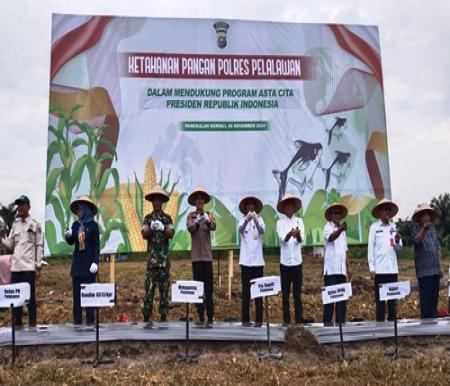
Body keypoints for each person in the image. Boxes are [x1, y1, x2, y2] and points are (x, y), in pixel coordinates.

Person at [1, 195, 44, 328]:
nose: (19, 208)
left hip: (28, 268)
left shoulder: (35, 224)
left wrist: (38, 266)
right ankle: (17, 326)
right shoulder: (15, 225)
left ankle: (32, 326)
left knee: (30, 299)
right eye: (18, 205)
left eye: (22, 205)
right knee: (16, 300)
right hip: (16, 268)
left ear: (28, 207)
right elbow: (11, 245)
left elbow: (39, 246)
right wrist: (1, 240)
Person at [276, 194, 312, 325]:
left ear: (294, 208)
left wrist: (297, 235)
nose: (289, 207)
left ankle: (298, 321)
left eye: (291, 205)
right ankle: (286, 321)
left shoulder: (299, 221)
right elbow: (283, 240)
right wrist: (290, 234)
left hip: (297, 262)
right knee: (285, 294)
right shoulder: (280, 222)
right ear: (284, 208)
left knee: (297, 294)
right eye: (287, 205)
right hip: (285, 263)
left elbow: (301, 241)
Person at [141, 185, 174, 326]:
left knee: (164, 293)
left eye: (159, 200)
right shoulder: (148, 218)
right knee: (148, 292)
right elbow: (144, 233)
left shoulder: (167, 218)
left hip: (164, 262)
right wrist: (150, 227)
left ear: (162, 202)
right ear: (152, 202)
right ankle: (146, 318)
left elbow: (171, 233)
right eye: (154, 200)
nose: (157, 202)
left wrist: (163, 227)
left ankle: (163, 318)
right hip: (152, 262)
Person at [65, 196, 99, 326]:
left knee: (89, 297)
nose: (78, 212)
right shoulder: (75, 225)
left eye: (80, 209)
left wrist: (95, 262)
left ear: (86, 209)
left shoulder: (93, 226)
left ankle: (90, 324)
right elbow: (71, 240)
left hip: (89, 266)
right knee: (77, 299)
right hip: (77, 267)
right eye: (77, 209)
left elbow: (96, 245)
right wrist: (68, 235)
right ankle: (77, 325)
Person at [367, 198, 402, 322]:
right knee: (380, 300)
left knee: (392, 299)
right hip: (380, 269)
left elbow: (398, 248)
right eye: (384, 209)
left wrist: (397, 241)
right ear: (379, 212)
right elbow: (370, 248)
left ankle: (393, 324)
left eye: (388, 209)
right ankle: (380, 326)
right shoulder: (374, 227)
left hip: (392, 268)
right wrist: (372, 267)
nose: (386, 211)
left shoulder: (394, 226)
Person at [186, 187, 216, 327]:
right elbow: (190, 228)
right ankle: (201, 316)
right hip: (196, 259)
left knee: (209, 288)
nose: (199, 201)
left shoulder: (209, 214)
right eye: (197, 199)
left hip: (207, 258)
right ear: (194, 202)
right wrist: (198, 221)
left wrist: (208, 221)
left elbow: (214, 227)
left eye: (201, 199)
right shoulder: (190, 216)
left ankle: (210, 316)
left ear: (204, 202)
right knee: (198, 289)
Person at [238, 195, 265, 327]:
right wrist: (246, 220)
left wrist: (255, 220)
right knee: (246, 293)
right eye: (248, 204)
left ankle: (259, 320)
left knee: (259, 291)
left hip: (258, 262)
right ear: (245, 207)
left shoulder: (260, 219)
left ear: (255, 207)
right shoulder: (242, 220)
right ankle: (245, 320)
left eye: (252, 204)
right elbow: (239, 230)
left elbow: (262, 230)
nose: (250, 206)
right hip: (246, 262)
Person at [411, 203, 442, 319]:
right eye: (424, 216)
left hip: (435, 270)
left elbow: (437, 248)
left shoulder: (433, 229)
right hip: (424, 271)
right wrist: (424, 230)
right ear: (419, 218)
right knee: (426, 298)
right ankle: (426, 322)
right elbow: (417, 241)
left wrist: (440, 267)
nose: (426, 217)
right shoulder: (415, 229)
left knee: (434, 297)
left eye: (428, 215)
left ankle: (434, 321)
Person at [322, 203, 352, 325]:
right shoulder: (327, 227)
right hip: (331, 270)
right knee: (330, 300)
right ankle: (327, 326)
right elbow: (331, 238)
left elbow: (345, 250)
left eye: (339, 213)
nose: (337, 215)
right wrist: (340, 229)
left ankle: (341, 325)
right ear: (330, 215)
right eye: (335, 213)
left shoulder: (343, 232)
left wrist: (349, 267)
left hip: (341, 270)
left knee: (342, 300)